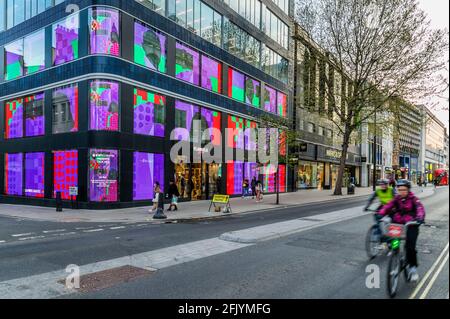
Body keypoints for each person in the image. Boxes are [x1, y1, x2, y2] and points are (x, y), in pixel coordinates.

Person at [378, 179, 426, 282]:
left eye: (404, 190)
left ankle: (413, 269)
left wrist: (420, 218)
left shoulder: (414, 199)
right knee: (395, 241)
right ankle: (395, 252)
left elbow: (420, 209)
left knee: (410, 248)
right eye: (399, 190)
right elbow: (388, 206)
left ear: (408, 189)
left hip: (411, 225)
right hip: (399, 224)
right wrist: (381, 213)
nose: (402, 192)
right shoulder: (397, 199)